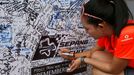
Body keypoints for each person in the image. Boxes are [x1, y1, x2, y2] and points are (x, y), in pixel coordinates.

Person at [59, 0, 134, 75]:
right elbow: (92, 53)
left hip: (124, 68)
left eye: (87, 29)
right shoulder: (108, 30)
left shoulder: (127, 35)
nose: (86, 32)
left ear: (101, 26)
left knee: (98, 72)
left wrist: (83, 60)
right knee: (96, 55)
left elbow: (113, 70)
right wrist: (71, 55)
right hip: (127, 66)